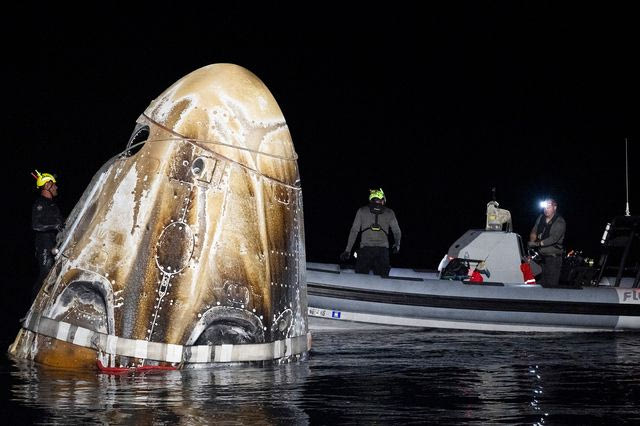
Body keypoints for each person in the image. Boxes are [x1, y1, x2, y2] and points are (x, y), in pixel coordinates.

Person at [340, 188, 401, 277]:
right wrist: (397, 244)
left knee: (360, 279)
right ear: (382, 199)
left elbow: (354, 231)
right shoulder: (389, 212)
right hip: (382, 252)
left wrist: (347, 250)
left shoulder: (362, 210)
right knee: (383, 281)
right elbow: (397, 232)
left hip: (365, 251)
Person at [31, 170, 63, 299]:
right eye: (53, 184)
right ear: (47, 186)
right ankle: (33, 307)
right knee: (46, 274)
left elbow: (61, 223)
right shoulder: (40, 203)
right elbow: (36, 225)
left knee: (56, 275)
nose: (56, 187)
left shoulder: (53, 205)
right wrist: (55, 225)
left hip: (55, 245)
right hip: (45, 247)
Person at [528, 198, 566, 287]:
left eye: (549, 207)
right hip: (541, 259)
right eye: (545, 207)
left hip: (553, 259)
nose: (546, 209)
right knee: (538, 285)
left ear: (555, 207)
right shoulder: (541, 217)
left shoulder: (560, 222)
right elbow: (535, 229)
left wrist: (537, 244)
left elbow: (554, 238)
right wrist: (532, 239)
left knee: (551, 286)